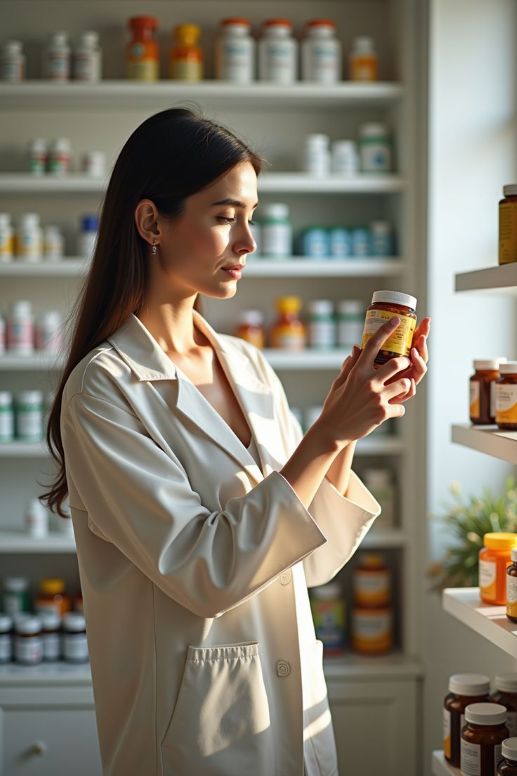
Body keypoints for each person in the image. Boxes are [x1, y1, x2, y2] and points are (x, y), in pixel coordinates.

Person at [42, 107, 430, 776]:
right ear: (151, 222)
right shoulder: (104, 390)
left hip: (291, 712)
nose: (249, 240)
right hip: (189, 737)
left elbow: (309, 562)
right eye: (225, 216)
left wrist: (346, 428)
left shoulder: (247, 364)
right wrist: (325, 433)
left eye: (251, 214)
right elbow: (205, 570)